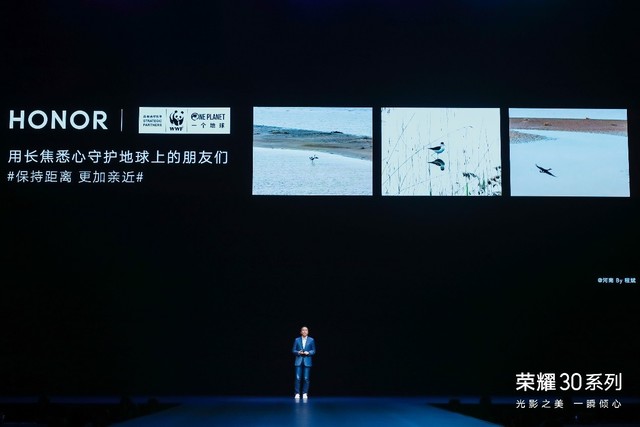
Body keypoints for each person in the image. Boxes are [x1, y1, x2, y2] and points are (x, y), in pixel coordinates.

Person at [292, 326, 315, 400]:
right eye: (303, 330)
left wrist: (308, 352)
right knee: (297, 378)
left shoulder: (311, 340)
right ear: (301, 332)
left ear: (308, 332)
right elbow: (293, 350)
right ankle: (297, 393)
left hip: (307, 361)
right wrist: (298, 352)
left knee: (306, 378)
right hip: (298, 360)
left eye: (306, 330)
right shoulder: (297, 339)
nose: (304, 331)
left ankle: (305, 393)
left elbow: (313, 350)